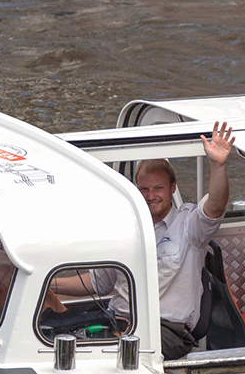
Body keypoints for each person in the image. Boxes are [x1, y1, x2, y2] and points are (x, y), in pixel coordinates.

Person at [72, 122, 235, 360]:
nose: (150, 196)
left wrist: (218, 165)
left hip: (167, 331)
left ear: (172, 189)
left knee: (107, 356)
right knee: (60, 337)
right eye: (144, 189)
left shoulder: (189, 225)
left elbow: (215, 206)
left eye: (158, 188)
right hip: (117, 322)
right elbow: (98, 284)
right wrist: (49, 285)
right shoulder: (125, 229)